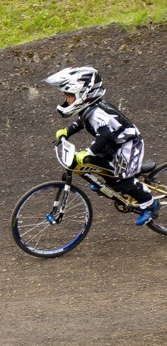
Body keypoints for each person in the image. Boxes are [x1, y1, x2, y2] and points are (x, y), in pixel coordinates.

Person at [44, 66, 158, 226]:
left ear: (83, 94)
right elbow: (82, 122)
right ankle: (111, 184)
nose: (67, 100)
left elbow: (105, 135)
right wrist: (67, 131)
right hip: (113, 144)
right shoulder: (88, 109)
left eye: (69, 95)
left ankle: (149, 203)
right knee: (98, 164)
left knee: (124, 181)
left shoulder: (98, 112)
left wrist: (89, 151)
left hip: (129, 144)